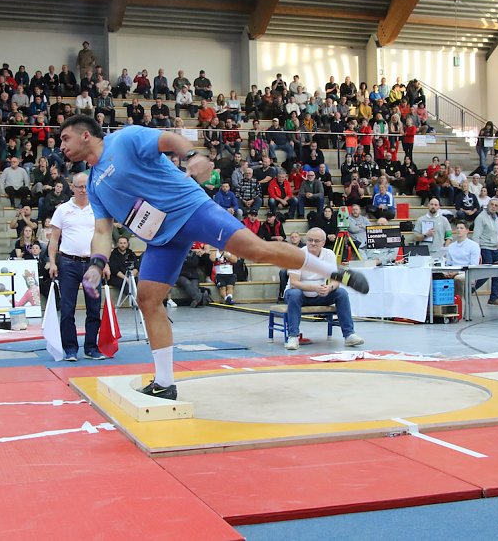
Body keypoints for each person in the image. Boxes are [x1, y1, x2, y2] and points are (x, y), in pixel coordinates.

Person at [59, 115, 369, 399]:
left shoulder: (124, 140)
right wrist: (97, 263)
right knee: (148, 299)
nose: (62, 146)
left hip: (190, 209)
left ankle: (331, 270)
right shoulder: (95, 183)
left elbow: (169, 140)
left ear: (85, 135)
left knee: (255, 249)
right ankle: (165, 383)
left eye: (64, 139)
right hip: (162, 238)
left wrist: (193, 156)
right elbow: (102, 231)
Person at [46, 172, 107, 361]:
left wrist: (103, 263)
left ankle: (91, 347)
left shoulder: (97, 209)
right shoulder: (62, 210)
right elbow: (54, 239)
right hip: (68, 262)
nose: (82, 190)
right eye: (79, 187)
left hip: (92, 263)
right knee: (67, 308)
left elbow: (104, 237)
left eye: (85, 187)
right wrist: (53, 262)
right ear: (71, 188)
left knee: (94, 307)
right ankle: (70, 349)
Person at [283, 227, 365, 350]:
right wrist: (314, 288)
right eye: (310, 240)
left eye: (316, 241)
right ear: (306, 240)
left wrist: (329, 287)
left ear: (323, 242)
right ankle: (293, 337)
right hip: (299, 295)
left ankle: (349, 335)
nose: (313, 243)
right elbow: (294, 283)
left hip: (319, 294)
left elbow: (336, 280)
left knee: (341, 293)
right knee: (295, 294)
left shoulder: (329, 254)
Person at [472, 199, 498, 305]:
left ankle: (494, 297)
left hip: (495, 248)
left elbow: (496, 234)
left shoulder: (495, 218)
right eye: (492, 204)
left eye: (496, 205)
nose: (493, 207)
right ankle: (468, 290)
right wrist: (477, 252)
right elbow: (476, 236)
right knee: (486, 274)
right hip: (485, 248)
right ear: (488, 205)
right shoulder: (481, 217)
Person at [445, 220, 481, 299]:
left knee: (458, 279)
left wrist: (456, 272)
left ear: (467, 231)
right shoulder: (451, 247)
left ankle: (459, 302)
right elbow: (448, 263)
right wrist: (449, 272)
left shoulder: (474, 246)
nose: (459, 230)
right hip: (453, 271)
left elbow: (473, 265)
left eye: (461, 228)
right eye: (457, 228)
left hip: (467, 272)